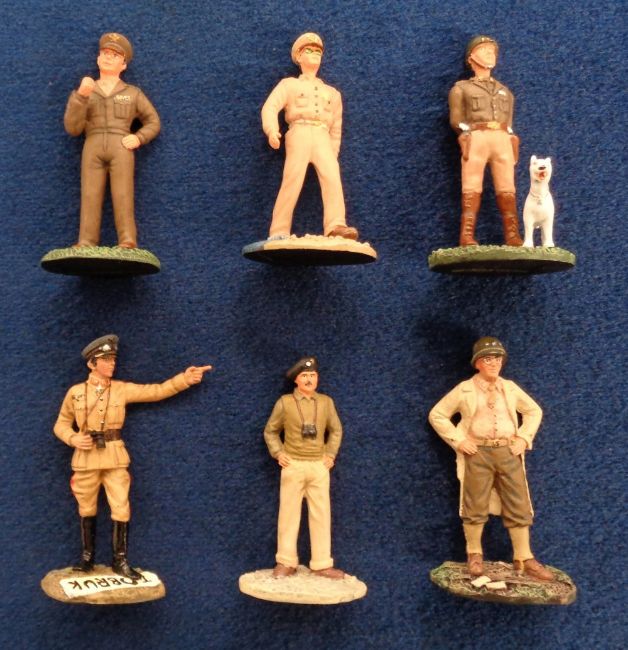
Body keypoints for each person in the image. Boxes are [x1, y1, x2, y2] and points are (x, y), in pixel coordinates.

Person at [54, 334, 211, 579]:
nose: (112, 364)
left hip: (114, 456)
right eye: (106, 359)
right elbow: (61, 424)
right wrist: (73, 438)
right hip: (85, 458)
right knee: (86, 507)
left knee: (121, 507)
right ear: (92, 364)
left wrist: (184, 379)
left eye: (113, 359)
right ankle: (87, 559)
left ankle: (120, 560)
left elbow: (156, 391)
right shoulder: (75, 393)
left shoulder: (121, 389)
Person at [429, 337, 554, 581]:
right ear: (477, 363)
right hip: (477, 453)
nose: (494, 363)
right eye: (487, 359)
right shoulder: (465, 389)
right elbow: (438, 414)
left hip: (508, 452)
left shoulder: (510, 388)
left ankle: (524, 557)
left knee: (518, 502)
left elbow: (533, 411)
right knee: (475, 503)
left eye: (497, 358)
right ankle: (474, 554)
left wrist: (523, 438)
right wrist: (459, 440)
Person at [64, 32, 161, 248]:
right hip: (93, 145)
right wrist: (80, 97)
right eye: (105, 53)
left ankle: (127, 240)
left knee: (123, 194)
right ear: (98, 58)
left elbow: (153, 122)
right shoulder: (87, 91)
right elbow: (73, 128)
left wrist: (138, 137)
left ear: (123, 64)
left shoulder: (132, 93)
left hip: (121, 147)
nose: (108, 57)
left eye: (115, 55)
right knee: (90, 195)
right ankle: (86, 241)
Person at [261, 33, 358, 241]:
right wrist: (271, 129)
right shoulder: (289, 85)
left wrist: (333, 152)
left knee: (332, 177)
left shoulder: (332, 93)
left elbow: (336, 127)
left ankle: (336, 225)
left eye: (318, 52)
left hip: (322, 136)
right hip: (299, 132)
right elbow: (270, 107)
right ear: (299, 56)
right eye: (309, 50)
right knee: (292, 179)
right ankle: (279, 229)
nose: (314, 55)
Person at [263, 357, 345, 579]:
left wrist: (330, 454)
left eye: (313, 375)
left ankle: (322, 563)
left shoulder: (326, 402)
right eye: (304, 376)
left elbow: (336, 430)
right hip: (294, 465)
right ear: (296, 380)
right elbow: (271, 431)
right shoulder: (285, 402)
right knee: (288, 515)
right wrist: (278, 452)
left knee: (321, 514)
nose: (309, 379)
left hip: (318, 466)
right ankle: (286, 561)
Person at [449, 36, 524, 247]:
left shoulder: (505, 91)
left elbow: (508, 119)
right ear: (471, 57)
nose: (490, 53)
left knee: (507, 187)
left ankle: (512, 234)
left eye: (493, 50)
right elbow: (456, 120)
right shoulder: (461, 89)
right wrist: (467, 134)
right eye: (484, 49)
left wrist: (510, 136)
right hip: (477, 138)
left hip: (502, 139)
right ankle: (466, 235)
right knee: (471, 186)